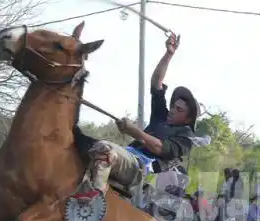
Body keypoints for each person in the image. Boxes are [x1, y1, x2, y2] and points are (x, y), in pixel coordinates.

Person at [73, 33, 202, 202]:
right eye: (172, 106)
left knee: (104, 148)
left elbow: (159, 147)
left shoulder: (186, 138)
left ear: (187, 118)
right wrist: (169, 54)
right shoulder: (161, 116)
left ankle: (92, 199)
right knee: (81, 142)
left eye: (178, 109)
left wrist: (134, 131)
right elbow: (156, 82)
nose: (171, 110)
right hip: (127, 155)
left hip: (140, 169)